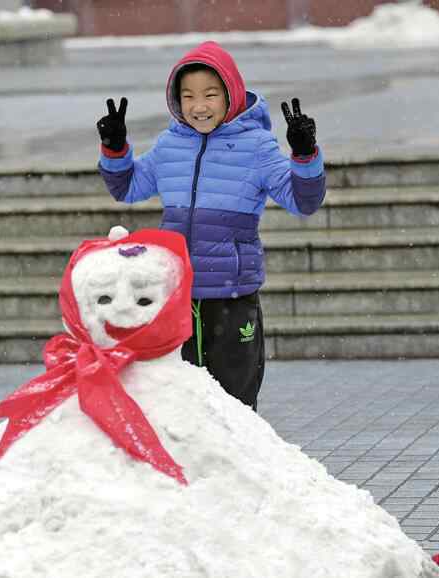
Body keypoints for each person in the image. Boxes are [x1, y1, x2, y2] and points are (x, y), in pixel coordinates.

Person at [95, 41, 326, 411]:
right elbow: (127, 187)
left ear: (230, 95)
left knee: (234, 401)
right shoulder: (170, 145)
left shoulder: (257, 146)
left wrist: (304, 154)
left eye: (209, 95)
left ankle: (239, 466)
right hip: (177, 295)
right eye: (188, 96)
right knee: (179, 400)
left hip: (231, 296)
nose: (198, 106)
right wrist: (115, 147)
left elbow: (304, 200)